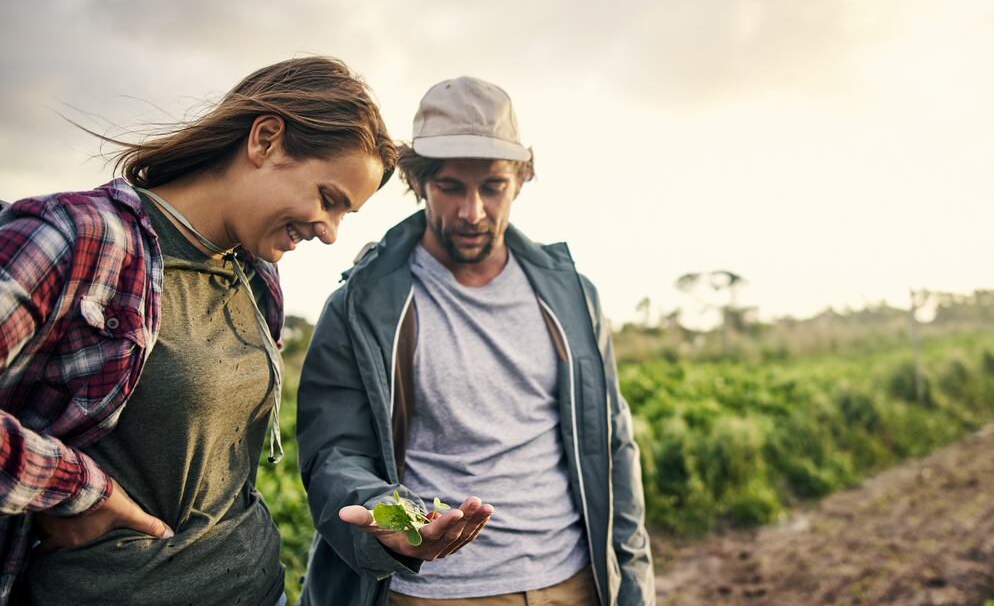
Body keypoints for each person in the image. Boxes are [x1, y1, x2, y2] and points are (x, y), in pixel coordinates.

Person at [0, 56, 410, 606]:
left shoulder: (257, 275)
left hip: (261, 589)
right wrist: (75, 489)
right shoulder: (78, 237)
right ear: (265, 139)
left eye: (345, 215)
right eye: (328, 199)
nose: (330, 232)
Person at [296, 76, 654, 606]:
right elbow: (334, 454)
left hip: (575, 584)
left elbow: (613, 445)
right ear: (417, 182)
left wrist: (634, 586)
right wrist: (392, 520)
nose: (472, 212)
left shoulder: (574, 297)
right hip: (435, 593)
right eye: (450, 187)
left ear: (521, 179)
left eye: (492, 187)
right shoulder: (361, 306)